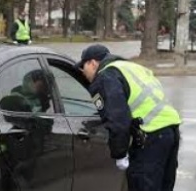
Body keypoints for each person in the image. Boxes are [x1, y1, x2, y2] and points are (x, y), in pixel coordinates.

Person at [74, 44, 181, 191]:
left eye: (83, 66)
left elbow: (117, 119)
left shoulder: (105, 77)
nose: (83, 72)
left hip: (150, 137)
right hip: (171, 131)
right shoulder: (132, 67)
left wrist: (120, 153)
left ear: (93, 63)